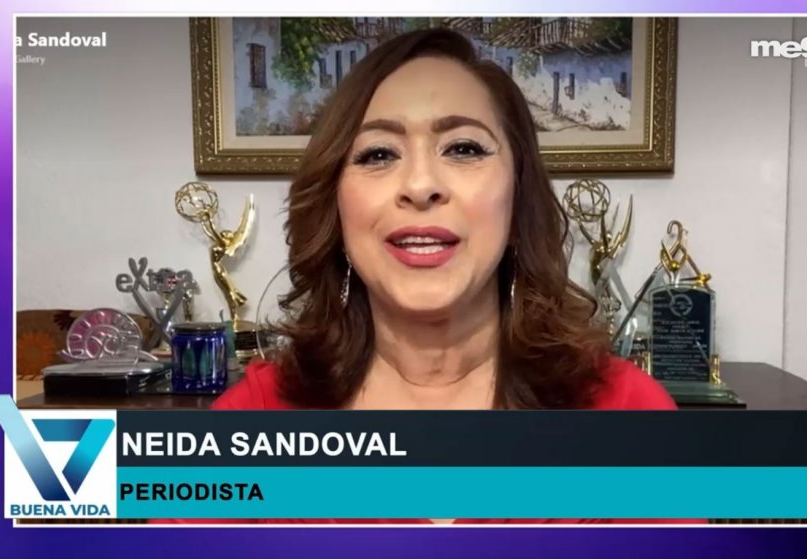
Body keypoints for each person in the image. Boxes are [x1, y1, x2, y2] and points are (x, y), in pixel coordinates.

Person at [155, 27, 688, 525]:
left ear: (517, 199)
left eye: (464, 148)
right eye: (378, 154)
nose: (419, 185)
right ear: (337, 209)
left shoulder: (630, 416)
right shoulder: (248, 426)